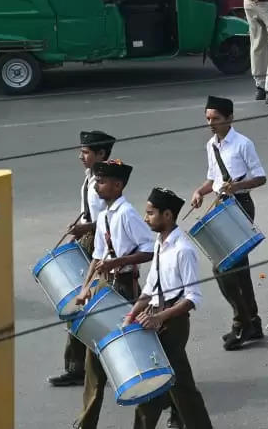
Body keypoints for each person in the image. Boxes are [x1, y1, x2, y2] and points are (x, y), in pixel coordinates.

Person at [123, 185, 214, 429]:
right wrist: (131, 315)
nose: (145, 218)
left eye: (151, 213)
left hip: (173, 322)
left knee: (176, 388)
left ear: (168, 215)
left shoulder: (183, 250)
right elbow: (150, 289)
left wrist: (159, 317)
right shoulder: (159, 243)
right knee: (158, 388)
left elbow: (192, 298)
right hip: (155, 317)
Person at [74, 159, 156, 429]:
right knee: (94, 355)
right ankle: (86, 422)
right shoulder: (107, 215)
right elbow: (98, 256)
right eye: (96, 180)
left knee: (135, 353)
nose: (97, 185)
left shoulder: (127, 214)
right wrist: (86, 287)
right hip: (104, 285)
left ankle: (170, 406)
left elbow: (151, 249)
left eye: (102, 181)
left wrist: (118, 262)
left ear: (118, 185)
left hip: (124, 287)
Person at [190, 95, 268, 350]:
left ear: (230, 118)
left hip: (241, 207)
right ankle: (251, 321)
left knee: (223, 267)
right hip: (223, 207)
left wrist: (236, 187)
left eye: (216, 119)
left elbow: (260, 178)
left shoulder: (243, 144)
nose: (211, 124)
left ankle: (241, 322)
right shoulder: (211, 145)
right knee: (238, 268)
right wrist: (200, 192)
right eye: (208, 119)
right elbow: (212, 178)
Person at [49, 130, 114, 388]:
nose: (81, 156)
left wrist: (86, 230)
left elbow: (113, 219)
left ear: (101, 154)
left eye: (86, 152)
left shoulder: (108, 181)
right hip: (87, 242)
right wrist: (75, 234)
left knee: (98, 306)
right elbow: (86, 214)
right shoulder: (89, 178)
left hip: (103, 248)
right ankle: (76, 366)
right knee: (76, 304)